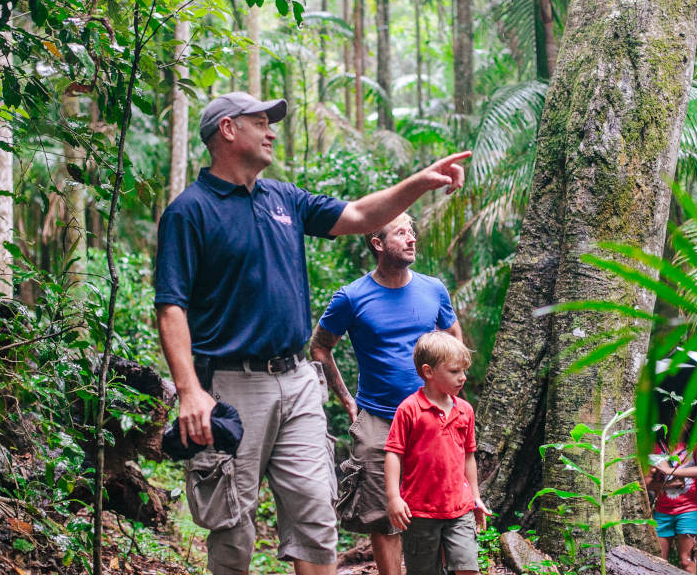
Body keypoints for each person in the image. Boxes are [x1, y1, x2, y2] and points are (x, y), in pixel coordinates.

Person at [154, 91, 470, 575]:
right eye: (260, 122)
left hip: (299, 379)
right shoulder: (189, 212)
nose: (271, 131)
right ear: (227, 130)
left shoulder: (284, 199)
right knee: (233, 526)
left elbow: (362, 215)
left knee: (316, 520)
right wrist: (189, 391)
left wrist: (421, 183)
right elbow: (171, 307)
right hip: (234, 385)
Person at [310, 212, 461, 575]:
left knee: (438, 509)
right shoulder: (351, 297)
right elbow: (319, 347)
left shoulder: (433, 289)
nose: (411, 239)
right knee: (382, 516)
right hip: (378, 419)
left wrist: (452, 393)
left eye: (412, 232)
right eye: (400, 233)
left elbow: (454, 338)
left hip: (431, 418)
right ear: (377, 244)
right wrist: (348, 401)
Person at [384, 331, 490, 575]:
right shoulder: (409, 409)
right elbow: (393, 453)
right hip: (419, 511)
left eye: (464, 371)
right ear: (428, 372)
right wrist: (393, 498)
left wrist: (475, 497)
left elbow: (468, 455)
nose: (462, 378)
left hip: (459, 508)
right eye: (454, 372)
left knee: (467, 567)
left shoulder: (465, 410)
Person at [644, 428, 697, 574]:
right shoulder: (655, 448)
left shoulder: (695, 445)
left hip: (689, 510)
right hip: (662, 512)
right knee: (658, 561)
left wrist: (669, 471)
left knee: (686, 562)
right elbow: (646, 483)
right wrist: (668, 484)